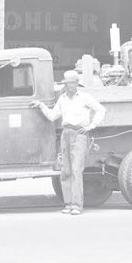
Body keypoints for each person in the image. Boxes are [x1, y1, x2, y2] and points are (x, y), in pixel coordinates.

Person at [33, 69, 106, 215]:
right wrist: (41, 105)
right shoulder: (62, 99)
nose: (68, 86)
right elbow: (52, 116)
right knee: (65, 170)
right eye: (66, 83)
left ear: (77, 83)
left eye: (71, 83)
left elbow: (101, 110)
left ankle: (77, 205)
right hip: (66, 134)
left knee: (76, 171)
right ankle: (68, 204)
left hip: (79, 134)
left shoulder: (85, 97)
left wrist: (91, 126)